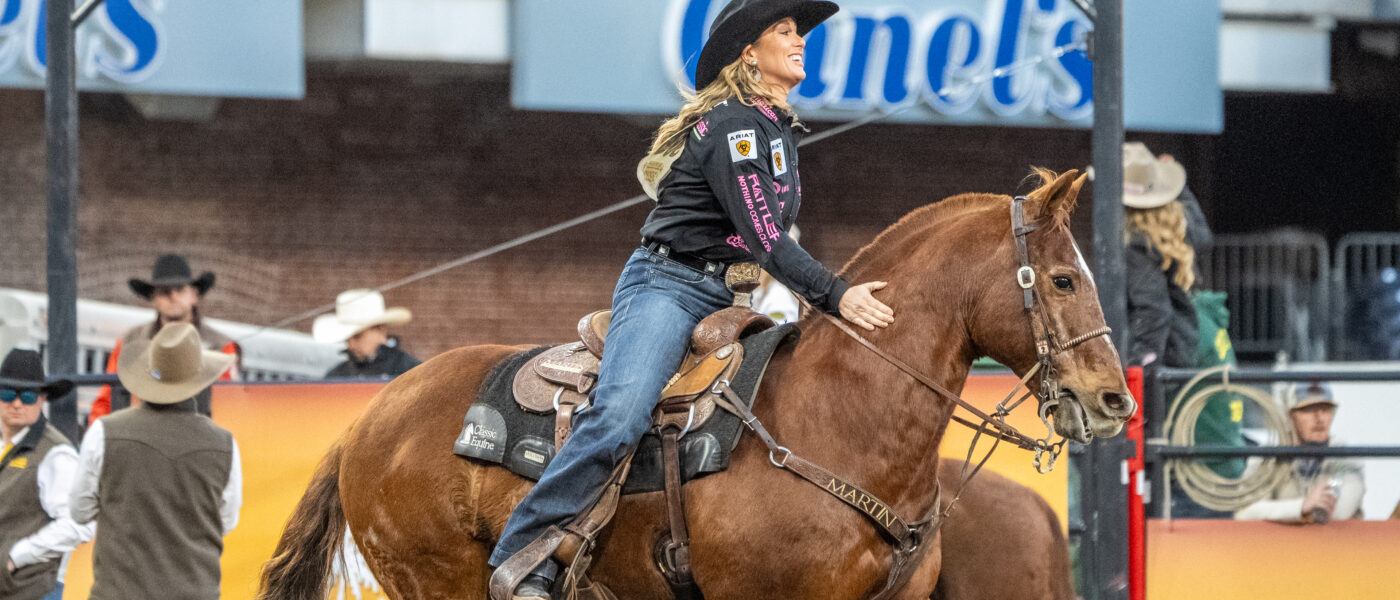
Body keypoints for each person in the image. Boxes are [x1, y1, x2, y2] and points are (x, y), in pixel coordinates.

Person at [490, 2, 895, 598]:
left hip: (726, 295)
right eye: (783, 30)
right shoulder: (734, 126)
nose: (800, 40)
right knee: (620, 415)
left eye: (799, 31)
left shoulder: (775, 128)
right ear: (749, 55)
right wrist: (836, 295)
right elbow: (765, 236)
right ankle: (521, 557)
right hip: (668, 286)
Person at [70, 322, 243, 598]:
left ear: (148, 375)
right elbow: (226, 521)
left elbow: (79, 511)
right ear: (198, 380)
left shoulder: (104, 432)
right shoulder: (225, 445)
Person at [89, 254, 239, 423]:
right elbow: (106, 400)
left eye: (180, 289)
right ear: (153, 298)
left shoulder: (221, 345)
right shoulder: (129, 342)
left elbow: (231, 406)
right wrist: (102, 433)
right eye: (164, 291)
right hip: (140, 428)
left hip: (200, 429)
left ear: (194, 295)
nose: (172, 296)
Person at [0, 350, 94, 600]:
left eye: (28, 396)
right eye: (7, 393)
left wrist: (16, 557)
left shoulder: (56, 453)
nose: (17, 403)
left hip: (33, 590)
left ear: (42, 399)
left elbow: (80, 524)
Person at [1235, 383, 1364, 523]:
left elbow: (1341, 511)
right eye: (1309, 410)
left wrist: (1301, 512)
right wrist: (1301, 507)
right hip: (1281, 537)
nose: (1319, 418)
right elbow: (1245, 512)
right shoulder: (1268, 457)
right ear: (1290, 416)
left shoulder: (1344, 457)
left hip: (1330, 537)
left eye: (1326, 409)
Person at [313, 289, 420, 379]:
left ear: (380, 330)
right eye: (346, 339)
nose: (350, 345)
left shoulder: (411, 372)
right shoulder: (336, 376)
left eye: (357, 336)